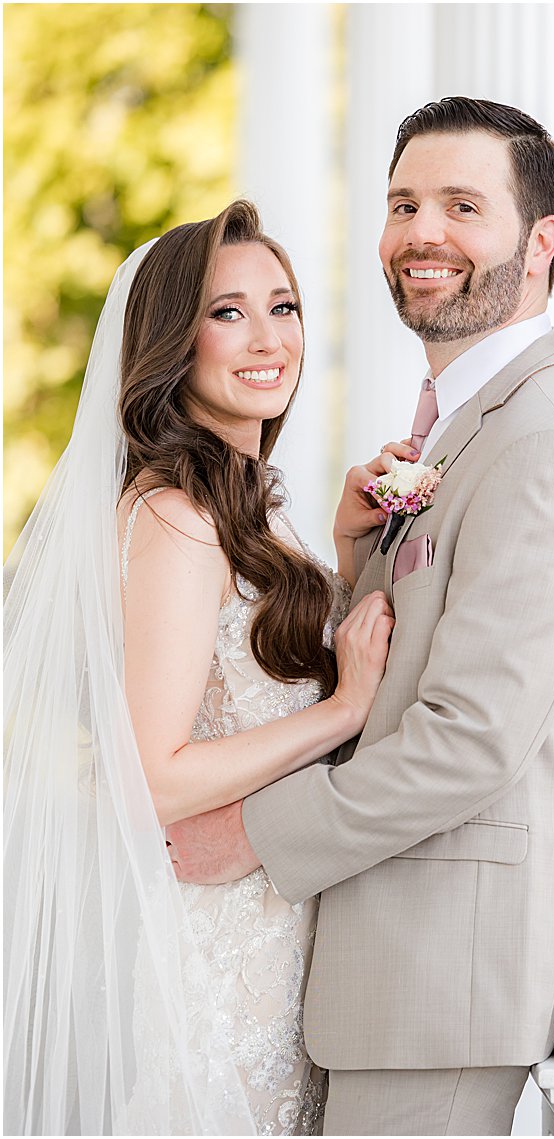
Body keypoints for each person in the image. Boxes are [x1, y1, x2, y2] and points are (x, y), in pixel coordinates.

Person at [166, 98, 554, 1135]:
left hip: (444, 973)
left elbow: (469, 741)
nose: (422, 233)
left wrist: (243, 833)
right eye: (403, 204)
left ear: (541, 239)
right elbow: (386, 669)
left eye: (462, 205)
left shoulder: (546, 445)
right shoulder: (460, 429)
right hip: (380, 962)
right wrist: (350, 561)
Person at [4, 200, 394, 1133]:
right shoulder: (178, 518)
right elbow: (154, 773)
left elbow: (247, 677)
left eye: (284, 306)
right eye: (228, 312)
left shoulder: (240, 502)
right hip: (223, 958)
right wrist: (342, 712)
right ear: (172, 343)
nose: (268, 337)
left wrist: (338, 554)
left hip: (273, 927)